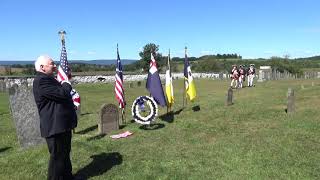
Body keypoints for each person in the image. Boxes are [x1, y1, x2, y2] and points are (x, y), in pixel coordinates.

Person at [33, 55, 77, 180]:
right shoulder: (41, 81)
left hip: (62, 125)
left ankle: (68, 177)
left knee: (64, 155)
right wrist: (66, 84)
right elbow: (62, 93)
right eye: (51, 63)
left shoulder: (49, 79)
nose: (54, 66)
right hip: (55, 126)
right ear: (42, 67)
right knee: (57, 158)